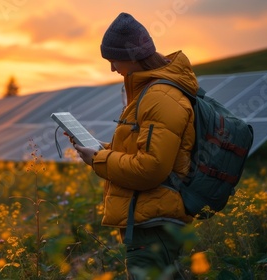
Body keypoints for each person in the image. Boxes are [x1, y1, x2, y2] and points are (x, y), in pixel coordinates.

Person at [72, 12, 198, 279]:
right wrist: (100, 149)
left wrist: (98, 160)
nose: (112, 69)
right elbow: (144, 152)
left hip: (154, 223)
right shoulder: (152, 94)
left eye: (113, 61)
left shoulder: (160, 98)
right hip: (149, 219)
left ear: (131, 57)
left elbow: (150, 169)